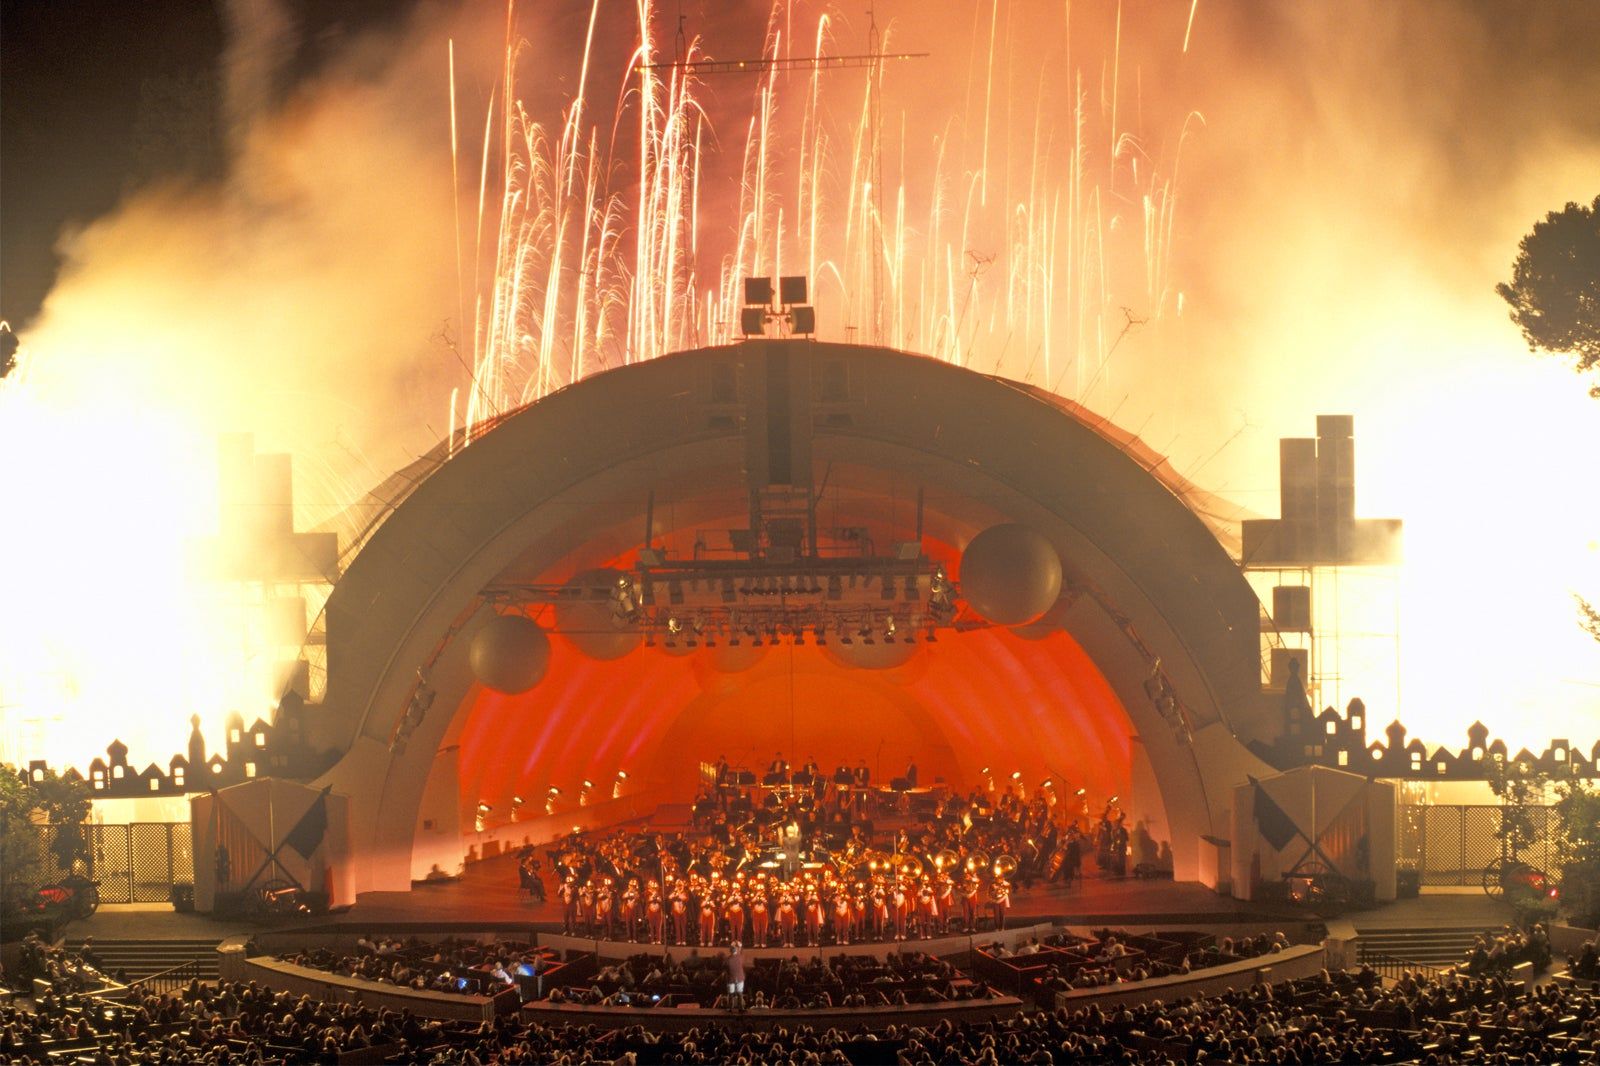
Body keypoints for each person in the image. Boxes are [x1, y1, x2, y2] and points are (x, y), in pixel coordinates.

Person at [726, 941, 747, 1012]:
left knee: (731, 994)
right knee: (739, 993)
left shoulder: (728, 959)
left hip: (732, 978)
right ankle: (740, 1008)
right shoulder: (741, 958)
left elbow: (726, 968)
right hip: (738, 978)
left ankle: (730, 1008)